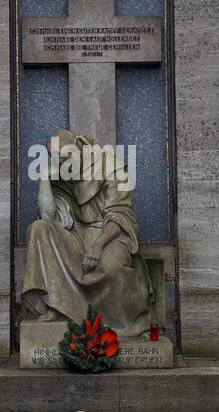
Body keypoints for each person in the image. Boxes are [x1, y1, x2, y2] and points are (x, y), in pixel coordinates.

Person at [22, 129, 152, 336]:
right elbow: (48, 218)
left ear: (78, 148)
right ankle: (59, 307)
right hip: (74, 234)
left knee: (111, 267)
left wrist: (98, 244)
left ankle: (119, 324)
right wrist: (45, 178)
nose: (63, 163)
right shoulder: (58, 173)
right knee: (39, 228)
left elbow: (121, 213)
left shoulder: (109, 165)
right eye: (57, 159)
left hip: (109, 234)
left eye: (65, 156)